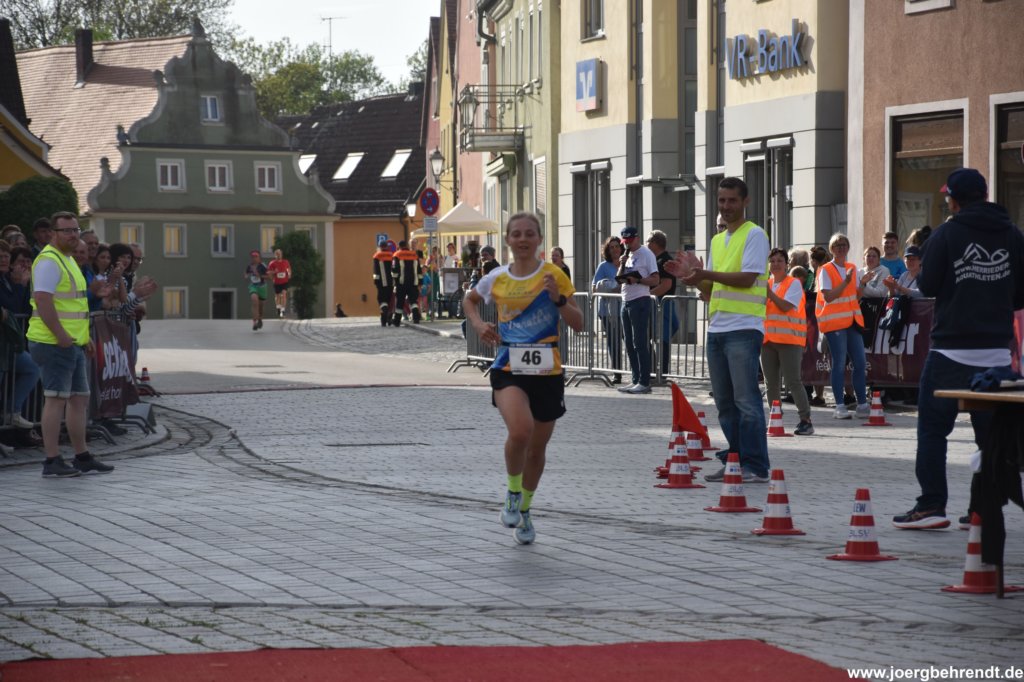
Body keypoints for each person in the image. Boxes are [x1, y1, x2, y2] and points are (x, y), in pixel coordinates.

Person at [893, 168, 1024, 529]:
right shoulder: (1012, 234)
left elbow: (928, 285)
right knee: (991, 439)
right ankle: (981, 509)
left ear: (954, 200)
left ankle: (931, 506)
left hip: (950, 352)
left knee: (933, 432)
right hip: (996, 354)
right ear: (984, 195)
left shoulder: (947, 234)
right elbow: (1020, 295)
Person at [463, 212, 582, 545]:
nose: (523, 239)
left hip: (548, 372)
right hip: (508, 367)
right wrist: (478, 324)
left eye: (530, 233)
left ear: (539, 239)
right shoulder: (497, 277)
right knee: (521, 431)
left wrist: (558, 300)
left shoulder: (554, 275)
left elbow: (578, 323)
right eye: (516, 234)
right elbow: (469, 300)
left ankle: (526, 509)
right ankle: (513, 493)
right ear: (508, 240)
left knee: (537, 449)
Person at [670, 176, 771, 483]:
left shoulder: (755, 234)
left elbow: (747, 278)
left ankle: (756, 465)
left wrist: (705, 273)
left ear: (745, 202)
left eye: (732, 200)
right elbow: (711, 290)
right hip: (718, 328)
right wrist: (692, 278)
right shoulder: (717, 240)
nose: (726, 206)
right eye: (722, 200)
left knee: (746, 400)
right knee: (725, 403)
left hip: (744, 327)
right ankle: (736, 461)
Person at [28, 212, 113, 477]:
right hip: (54, 341)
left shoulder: (67, 260)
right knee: (55, 399)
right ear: (53, 233)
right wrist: (61, 334)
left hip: (72, 342)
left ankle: (81, 456)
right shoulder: (49, 261)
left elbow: (75, 305)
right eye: (66, 230)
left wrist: (84, 338)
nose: (73, 235)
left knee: (78, 399)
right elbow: (43, 300)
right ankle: (52, 460)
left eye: (75, 230)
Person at [816, 233, 870, 419]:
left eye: (844, 244)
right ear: (831, 249)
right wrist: (846, 281)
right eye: (837, 245)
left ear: (848, 248)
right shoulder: (825, 269)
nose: (841, 248)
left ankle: (862, 405)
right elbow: (828, 296)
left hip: (852, 322)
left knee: (860, 362)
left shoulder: (852, 268)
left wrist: (862, 284)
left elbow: (856, 296)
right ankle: (839, 405)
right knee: (839, 363)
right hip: (834, 323)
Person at [762, 248, 813, 435]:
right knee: (770, 383)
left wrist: (769, 294)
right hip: (768, 340)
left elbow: (784, 307)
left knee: (793, 381)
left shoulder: (793, 284)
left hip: (789, 339)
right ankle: (775, 417)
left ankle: (806, 420)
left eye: (779, 261)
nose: (776, 264)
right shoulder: (767, 283)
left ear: (787, 264)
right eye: (772, 261)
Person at [0, 240, 41, 434]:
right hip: (3, 345)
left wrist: (23, 286)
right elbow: (11, 307)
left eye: (6, 256)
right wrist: (19, 286)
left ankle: (11, 410)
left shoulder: (9, 279)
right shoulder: (8, 281)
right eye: (0, 256)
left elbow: (24, 308)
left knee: (32, 368)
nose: (3, 260)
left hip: (9, 346)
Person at [616, 226, 660, 394]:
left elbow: (655, 279)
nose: (627, 245)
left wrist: (639, 280)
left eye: (630, 241)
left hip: (640, 300)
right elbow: (619, 279)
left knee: (640, 342)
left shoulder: (646, 254)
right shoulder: (627, 255)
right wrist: (621, 264)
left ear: (637, 238)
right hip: (626, 300)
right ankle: (635, 379)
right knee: (629, 343)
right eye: (625, 242)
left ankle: (644, 381)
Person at [591, 236, 623, 383]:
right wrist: (609, 287)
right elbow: (594, 287)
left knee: (631, 342)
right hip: (607, 311)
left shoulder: (627, 264)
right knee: (614, 342)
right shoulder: (603, 266)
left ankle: (637, 372)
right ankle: (617, 373)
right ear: (608, 250)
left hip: (625, 308)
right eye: (612, 247)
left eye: (617, 246)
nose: (615, 249)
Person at [646, 230, 679, 375]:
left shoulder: (665, 261)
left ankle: (662, 373)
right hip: (656, 304)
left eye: (648, 241)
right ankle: (655, 371)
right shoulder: (655, 260)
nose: (646, 244)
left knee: (662, 340)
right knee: (651, 338)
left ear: (654, 243)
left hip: (662, 305)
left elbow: (666, 285)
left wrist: (645, 295)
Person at [391, 240, 422, 326]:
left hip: (401, 283)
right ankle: (416, 318)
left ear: (399, 246)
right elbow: (419, 271)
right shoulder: (414, 255)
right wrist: (420, 283)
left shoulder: (397, 255)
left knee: (400, 302)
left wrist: (395, 282)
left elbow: (394, 271)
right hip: (413, 283)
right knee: (413, 301)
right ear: (407, 246)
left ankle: (397, 321)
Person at [372, 240, 396, 327]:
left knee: (382, 300)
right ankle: (389, 317)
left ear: (380, 247)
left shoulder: (377, 256)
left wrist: (376, 282)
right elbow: (394, 268)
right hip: (391, 282)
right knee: (390, 300)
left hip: (382, 283)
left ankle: (384, 315)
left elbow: (376, 271)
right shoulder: (392, 255)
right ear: (387, 246)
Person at [245, 250, 268, 331]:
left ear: (259, 258)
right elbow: (246, 273)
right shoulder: (249, 266)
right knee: (254, 300)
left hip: (262, 287)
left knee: (260, 306)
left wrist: (260, 276)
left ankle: (260, 319)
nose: (254, 258)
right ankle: (254, 322)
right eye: (253, 257)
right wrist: (246, 276)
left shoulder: (263, 266)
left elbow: (269, 277)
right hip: (253, 286)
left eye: (256, 257)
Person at [267, 248, 292, 318]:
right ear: (275, 255)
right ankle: (278, 308)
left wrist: (289, 273)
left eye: (280, 254)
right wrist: (274, 272)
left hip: (284, 281)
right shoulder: (272, 263)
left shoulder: (286, 262)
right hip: (277, 282)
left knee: (284, 294)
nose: (278, 255)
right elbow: (268, 272)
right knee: (277, 296)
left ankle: (283, 310)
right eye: (277, 254)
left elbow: (288, 269)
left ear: (281, 255)